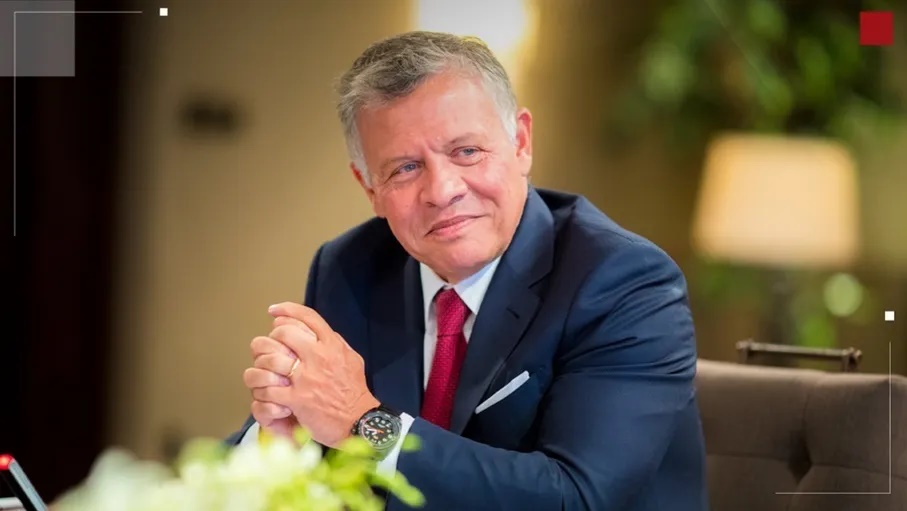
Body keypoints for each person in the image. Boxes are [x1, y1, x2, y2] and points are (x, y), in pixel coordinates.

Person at [228, 31, 708, 510]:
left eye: (466, 152)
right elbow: (300, 449)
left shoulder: (623, 281)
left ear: (521, 142)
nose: (442, 190)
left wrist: (365, 423)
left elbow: (576, 497)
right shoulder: (350, 267)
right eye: (405, 168)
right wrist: (279, 439)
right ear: (369, 187)